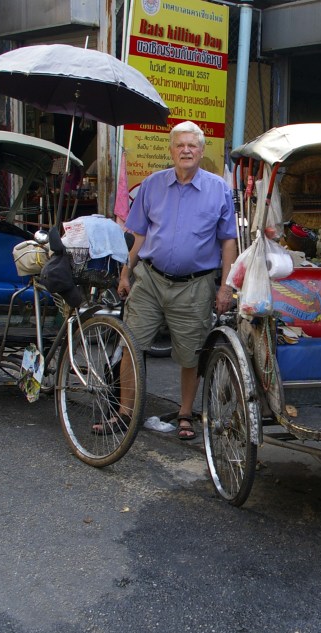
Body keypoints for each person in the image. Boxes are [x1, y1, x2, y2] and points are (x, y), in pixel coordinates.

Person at [105, 121, 238, 440]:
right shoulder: (152, 185)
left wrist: (226, 286)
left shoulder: (218, 189)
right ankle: (125, 413)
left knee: (191, 353)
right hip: (150, 279)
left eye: (192, 145)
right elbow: (138, 234)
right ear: (171, 150)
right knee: (131, 344)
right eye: (180, 145)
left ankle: (185, 414)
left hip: (195, 285)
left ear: (202, 151)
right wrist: (125, 272)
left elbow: (228, 241)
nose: (186, 150)